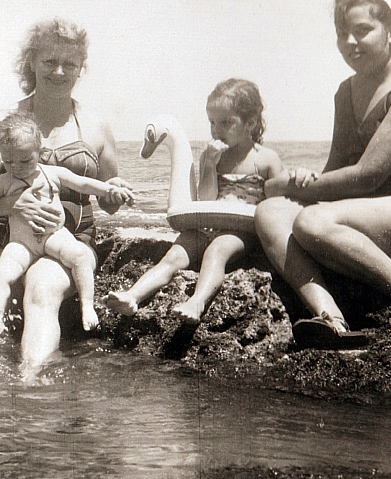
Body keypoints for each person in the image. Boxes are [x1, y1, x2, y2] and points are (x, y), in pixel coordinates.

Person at [255, 0, 391, 348]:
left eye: (362, 30)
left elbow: (366, 176)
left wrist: (285, 185)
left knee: (312, 221)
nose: (350, 41)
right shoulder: (347, 91)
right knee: (270, 212)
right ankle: (331, 318)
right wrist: (303, 180)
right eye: (342, 33)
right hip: (366, 218)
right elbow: (336, 171)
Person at [0, 18, 130, 369]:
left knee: (41, 289)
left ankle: (32, 381)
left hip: (69, 243)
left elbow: (108, 201)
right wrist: (17, 203)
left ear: (81, 68)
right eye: (49, 61)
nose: (59, 71)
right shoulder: (1, 121)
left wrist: (115, 194)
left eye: (69, 63)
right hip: (6, 242)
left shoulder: (97, 126)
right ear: (31, 62)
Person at [106, 79, 284, 321]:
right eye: (212, 122)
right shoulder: (212, 157)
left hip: (241, 232)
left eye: (226, 123)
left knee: (217, 250)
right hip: (210, 224)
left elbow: (278, 205)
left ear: (250, 123)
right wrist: (210, 164)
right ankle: (133, 296)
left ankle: (197, 302)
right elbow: (207, 198)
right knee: (174, 255)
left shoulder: (267, 159)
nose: (216, 130)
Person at [0, 112, 133, 340]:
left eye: (25, 160)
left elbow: (84, 184)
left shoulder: (53, 173)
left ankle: (87, 306)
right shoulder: (2, 183)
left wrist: (109, 190)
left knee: (80, 256)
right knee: (0, 273)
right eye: (8, 161)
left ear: (39, 152)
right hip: (21, 243)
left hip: (55, 237)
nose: (17, 168)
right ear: (1, 156)